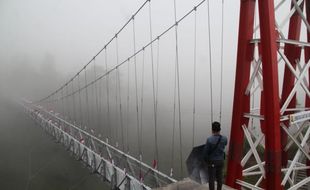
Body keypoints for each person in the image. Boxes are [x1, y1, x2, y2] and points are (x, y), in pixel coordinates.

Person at [203, 121, 227, 190]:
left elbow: (205, 152)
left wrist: (205, 161)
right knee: (220, 178)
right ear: (220, 129)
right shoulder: (224, 138)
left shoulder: (209, 140)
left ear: (212, 130)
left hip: (212, 162)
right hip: (221, 161)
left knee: (211, 178)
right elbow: (225, 144)